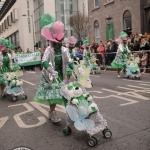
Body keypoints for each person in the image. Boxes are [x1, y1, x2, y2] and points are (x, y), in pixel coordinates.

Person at [34, 14, 74, 123]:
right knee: (54, 96)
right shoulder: (49, 50)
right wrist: (50, 70)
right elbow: (44, 61)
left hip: (61, 74)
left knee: (66, 94)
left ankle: (71, 113)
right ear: (53, 41)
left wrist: (75, 67)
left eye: (61, 41)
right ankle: (52, 112)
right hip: (51, 76)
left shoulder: (64, 50)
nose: (59, 43)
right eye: (57, 41)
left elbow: (69, 60)